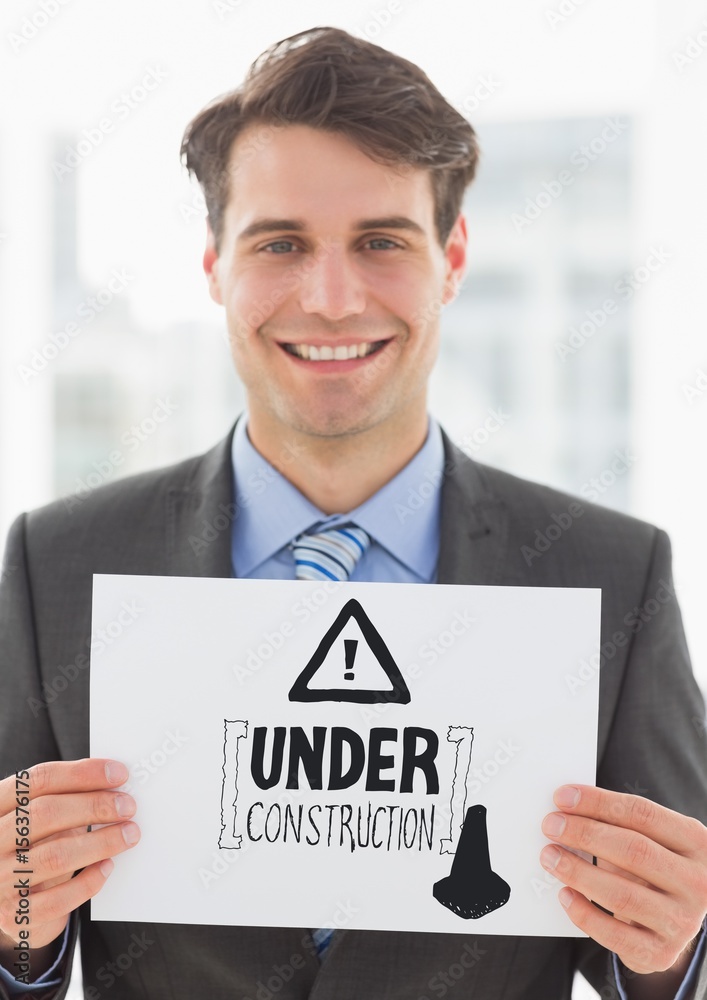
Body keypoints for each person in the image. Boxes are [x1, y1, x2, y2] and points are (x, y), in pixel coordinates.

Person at [0, 24, 706, 1000]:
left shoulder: (607, 575)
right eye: (279, 243)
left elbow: (661, 960)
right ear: (213, 265)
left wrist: (669, 947)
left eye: (381, 242)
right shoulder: (58, 566)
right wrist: (15, 928)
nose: (331, 299)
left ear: (451, 257)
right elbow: (23, 948)